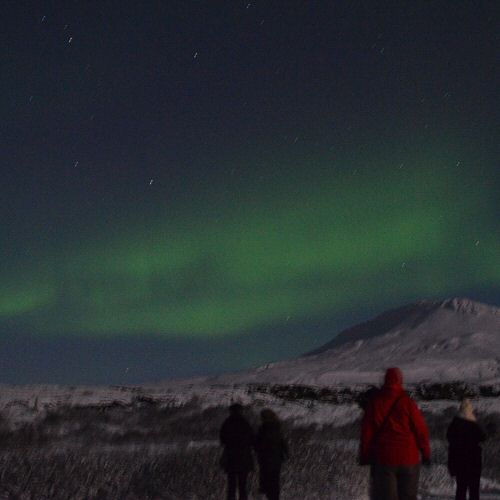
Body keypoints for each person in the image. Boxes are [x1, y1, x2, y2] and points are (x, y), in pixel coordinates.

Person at [359, 367, 431, 500]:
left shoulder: (375, 403)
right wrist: (426, 453)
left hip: (385, 458)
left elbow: (367, 433)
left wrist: (365, 455)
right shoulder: (408, 403)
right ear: (400, 381)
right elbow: (421, 429)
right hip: (409, 458)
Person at [447, 398, 486, 500]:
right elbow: (483, 437)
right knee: (474, 490)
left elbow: (450, 440)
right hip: (474, 462)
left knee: (461, 489)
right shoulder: (474, 425)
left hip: (459, 461)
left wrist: (451, 466)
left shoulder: (454, 424)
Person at [219, 403, 255, 500]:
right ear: (241, 411)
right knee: (242, 485)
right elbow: (252, 440)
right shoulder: (245, 423)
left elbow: (222, 440)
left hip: (231, 458)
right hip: (244, 458)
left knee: (231, 485)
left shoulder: (227, 423)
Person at [254, 408, 289, 500]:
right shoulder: (277, 428)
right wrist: (285, 454)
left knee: (267, 481)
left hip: (265, 459)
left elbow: (258, 445)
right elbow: (282, 442)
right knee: (274, 481)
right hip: (276, 459)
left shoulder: (263, 429)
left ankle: (268, 494)